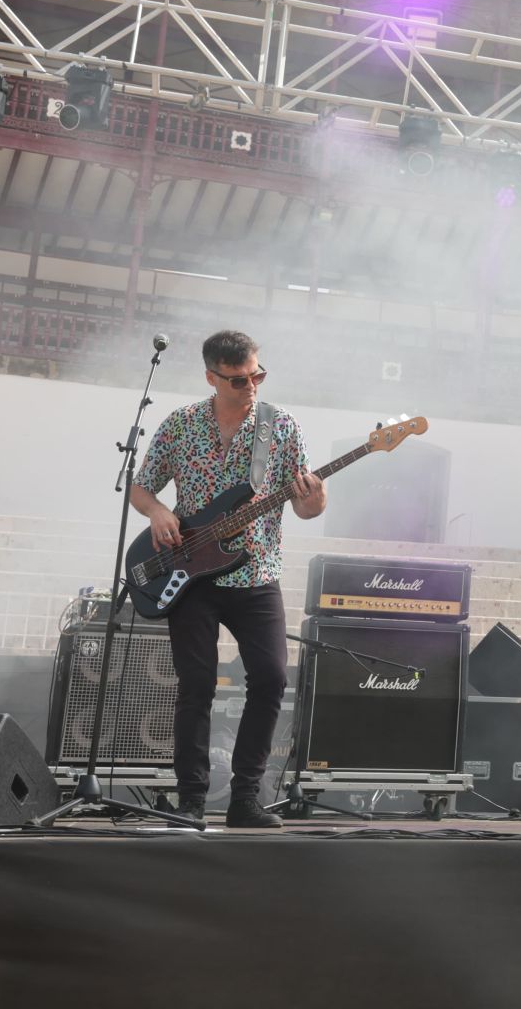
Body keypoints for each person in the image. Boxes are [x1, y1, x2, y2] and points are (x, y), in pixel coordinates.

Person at [131, 330, 323, 828]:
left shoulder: (280, 427)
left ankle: (245, 800)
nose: (251, 385)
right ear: (212, 377)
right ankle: (191, 799)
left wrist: (314, 496)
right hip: (190, 574)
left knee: (272, 678)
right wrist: (157, 512)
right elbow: (141, 487)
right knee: (196, 684)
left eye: (258, 374)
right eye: (239, 380)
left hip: (256, 572)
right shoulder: (180, 425)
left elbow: (305, 508)